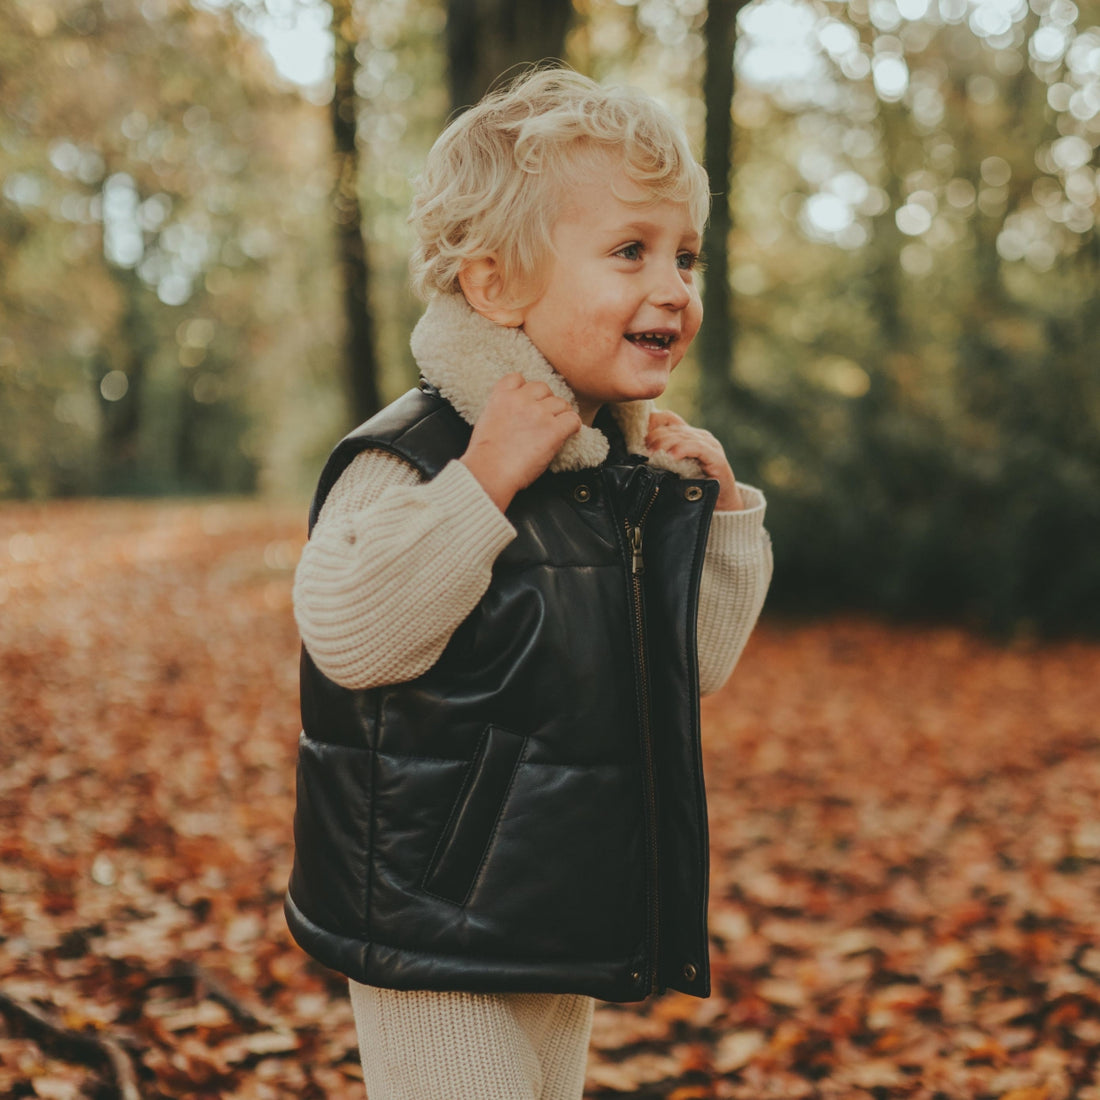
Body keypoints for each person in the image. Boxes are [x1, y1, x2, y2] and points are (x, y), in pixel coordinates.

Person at [286, 66, 773, 1100]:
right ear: (494, 282)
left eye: (684, 253)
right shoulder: (415, 455)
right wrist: (483, 479)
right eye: (628, 250)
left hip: (557, 900)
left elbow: (683, 668)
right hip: (431, 918)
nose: (673, 286)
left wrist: (721, 518)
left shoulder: (612, 474)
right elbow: (352, 635)